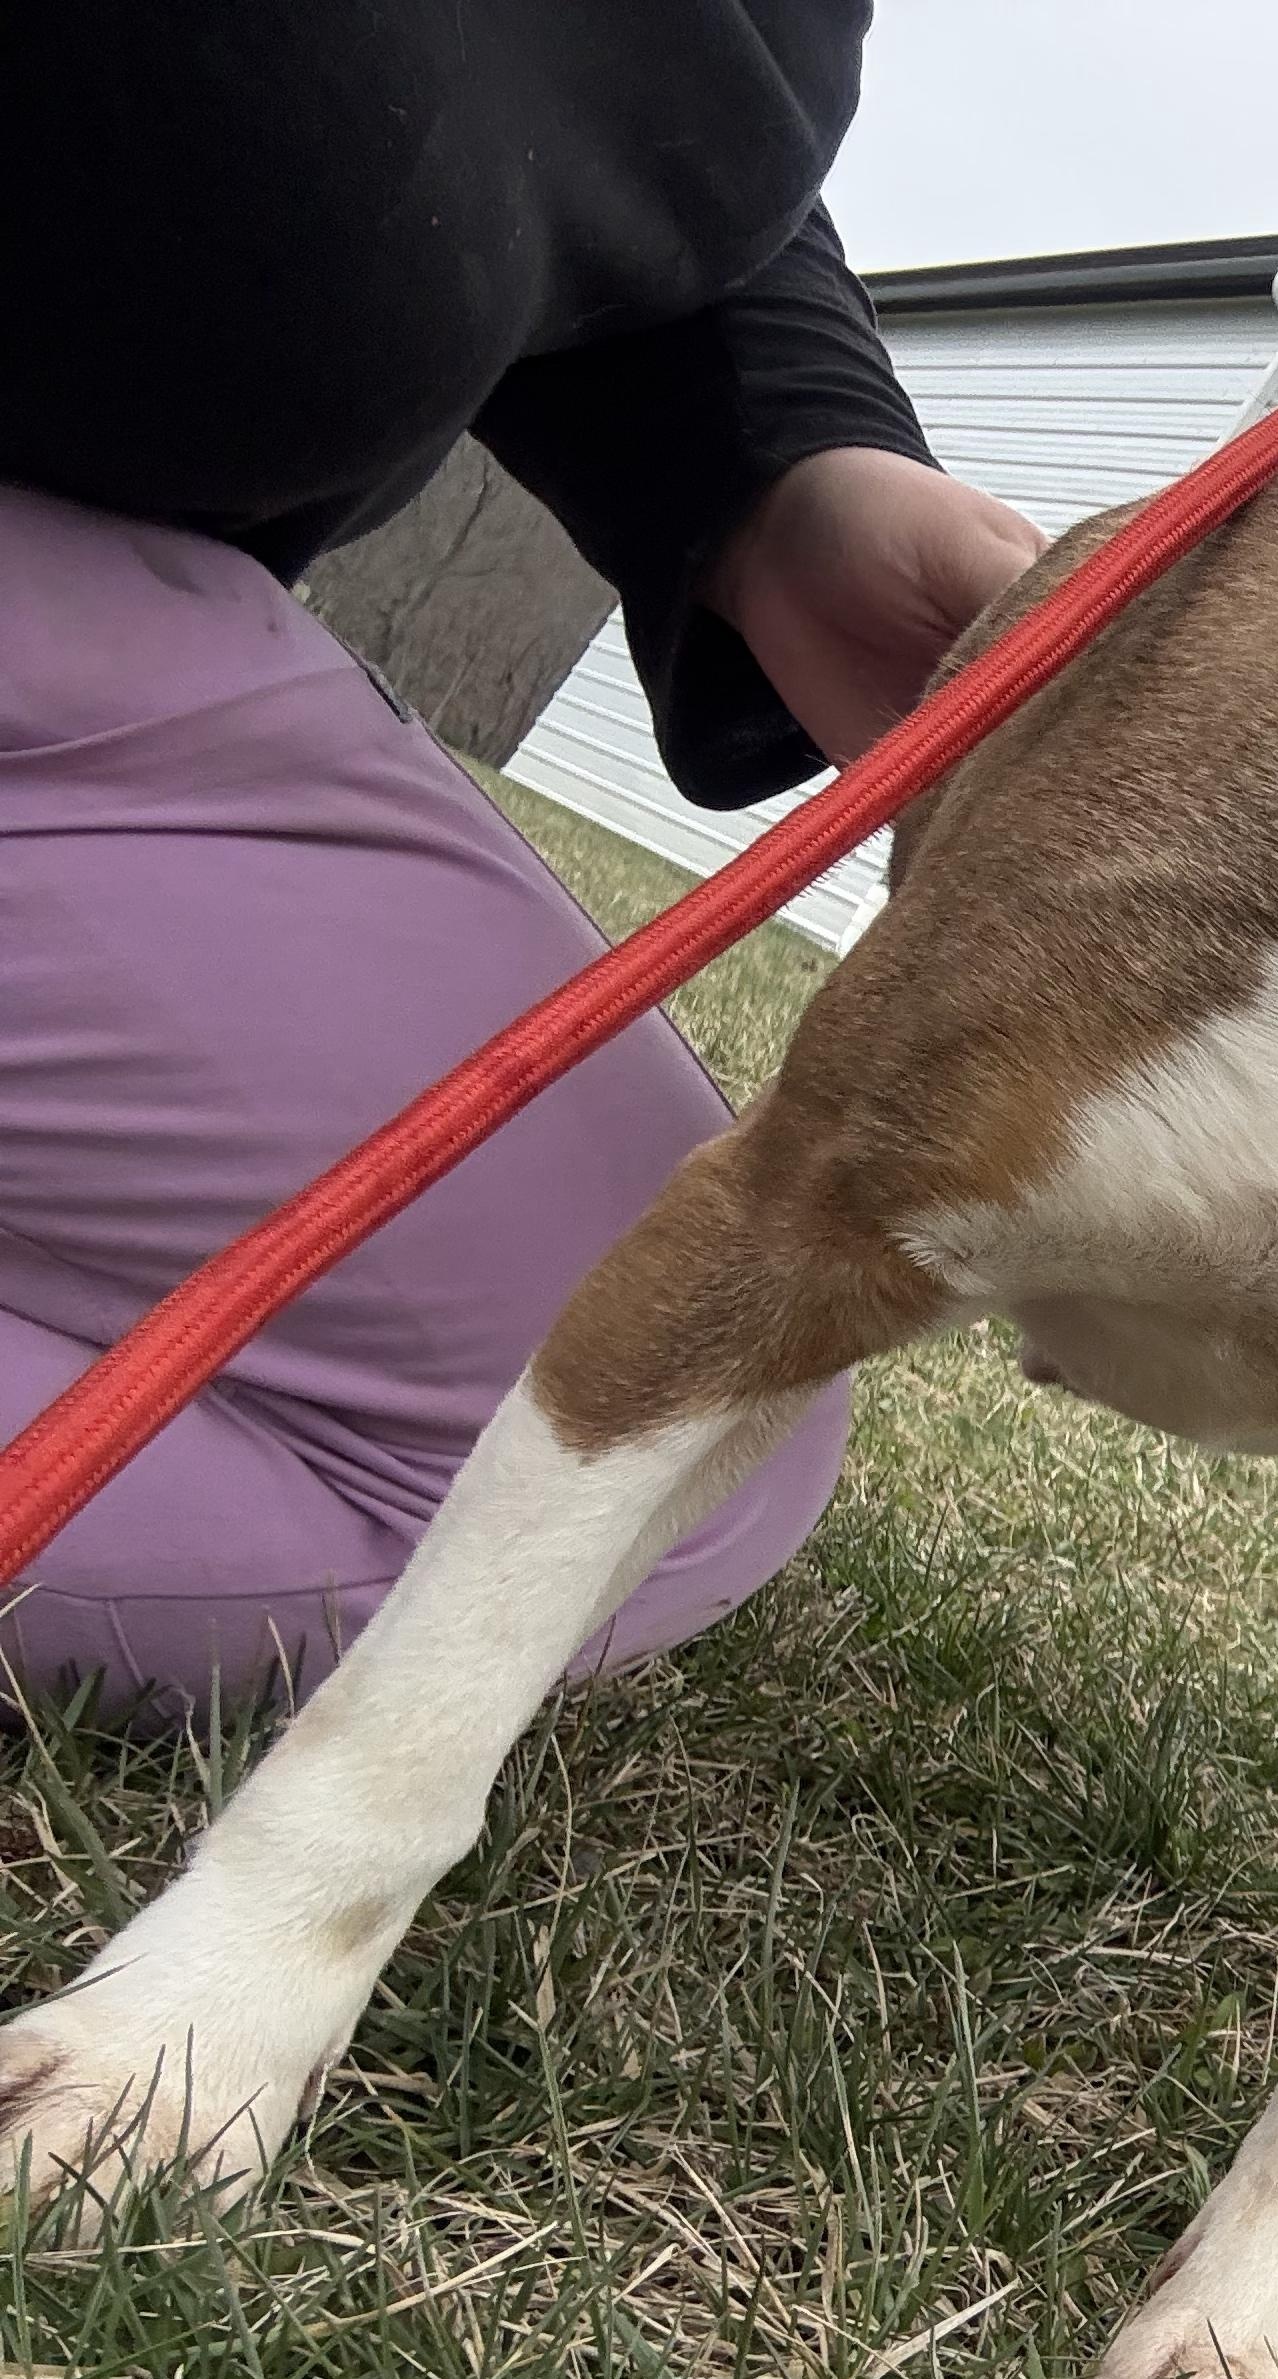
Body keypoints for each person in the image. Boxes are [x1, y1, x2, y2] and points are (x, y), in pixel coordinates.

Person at [0, 4, 1044, 1722]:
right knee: (580, 1451)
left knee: (662, 1413)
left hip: (136, 599)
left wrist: (779, 467)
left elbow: (657, 90)